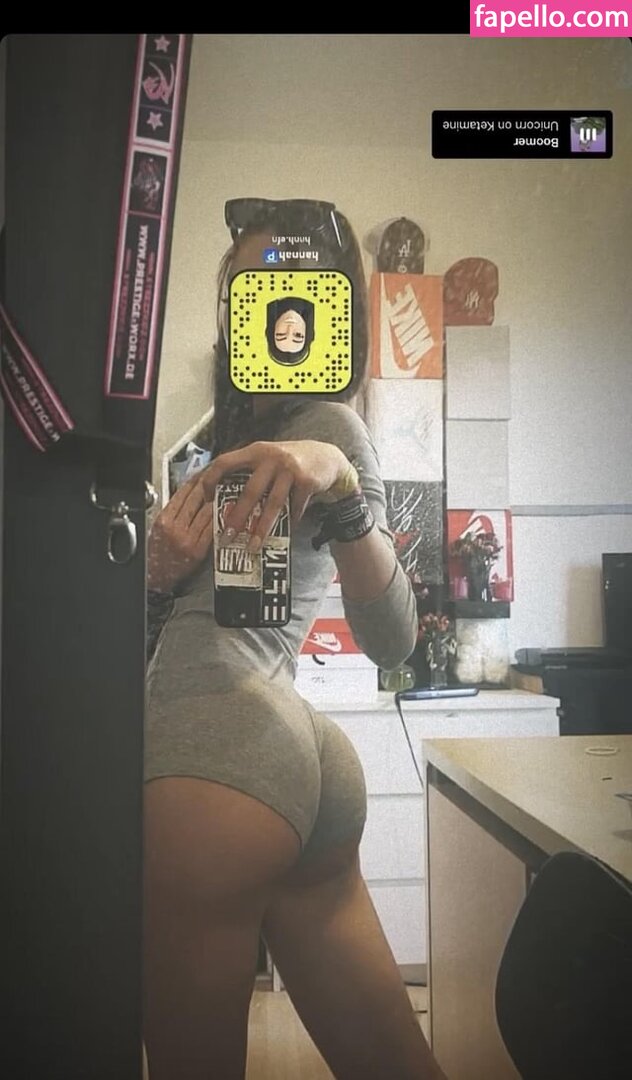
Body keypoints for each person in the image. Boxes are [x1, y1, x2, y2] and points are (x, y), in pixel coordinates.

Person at [143, 198, 447, 1080]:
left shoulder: (329, 428)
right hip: (283, 758)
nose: (269, 311)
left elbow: (393, 640)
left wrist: (343, 486)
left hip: (214, 753)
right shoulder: (223, 444)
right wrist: (158, 575)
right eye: (244, 290)